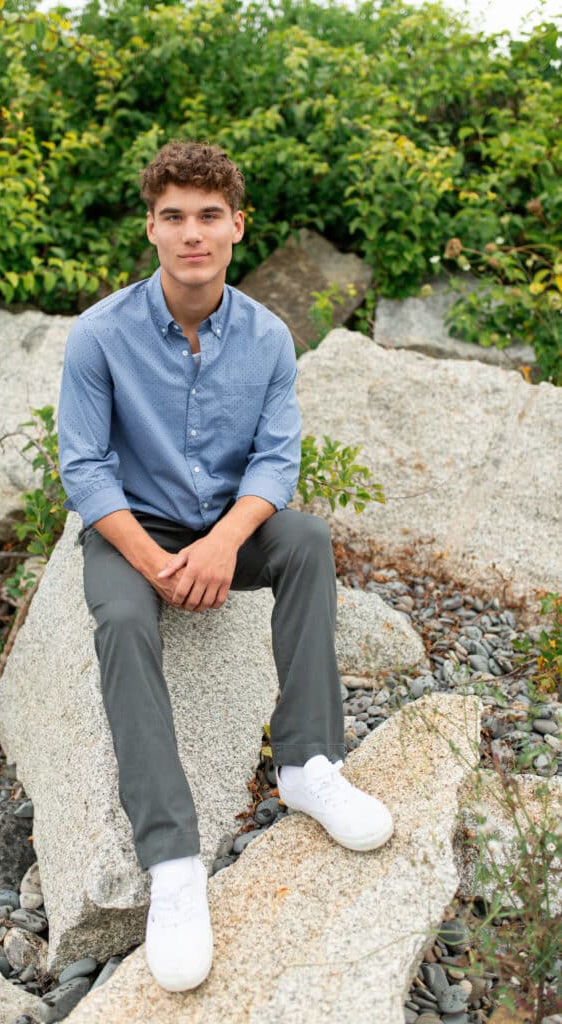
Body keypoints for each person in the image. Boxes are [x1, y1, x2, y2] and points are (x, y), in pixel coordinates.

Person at [57, 140, 393, 993]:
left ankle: (307, 766)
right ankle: (172, 863)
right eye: (173, 216)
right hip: (131, 528)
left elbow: (276, 462)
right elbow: (85, 468)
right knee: (123, 619)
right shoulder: (99, 334)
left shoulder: (267, 337)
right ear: (151, 228)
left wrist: (217, 546)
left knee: (306, 541)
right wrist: (155, 563)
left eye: (209, 216)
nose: (192, 233)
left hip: (226, 528)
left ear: (237, 226)